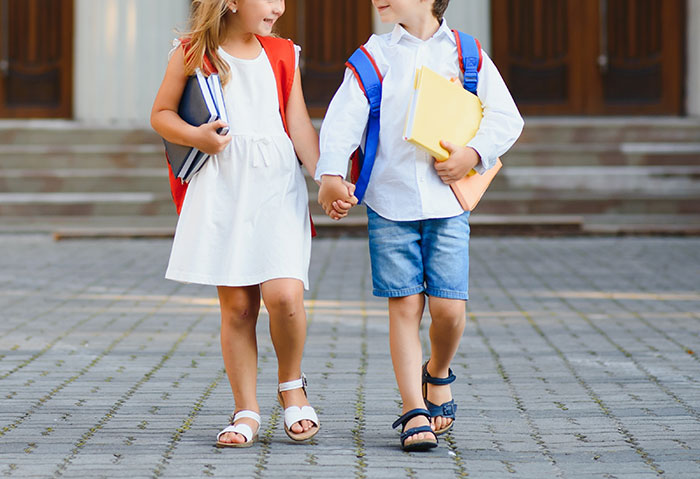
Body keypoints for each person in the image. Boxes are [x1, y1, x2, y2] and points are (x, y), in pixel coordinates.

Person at [316, 0, 524, 451]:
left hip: (448, 203)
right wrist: (332, 176)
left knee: (449, 309)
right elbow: (341, 121)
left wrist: (473, 154)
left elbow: (506, 117)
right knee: (404, 306)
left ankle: (437, 372)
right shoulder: (372, 57)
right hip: (389, 202)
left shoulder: (466, 53)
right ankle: (414, 410)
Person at [151, 0, 349, 447]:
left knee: (285, 296)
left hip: (276, 184)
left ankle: (291, 386)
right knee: (238, 307)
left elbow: (297, 124)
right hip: (223, 188)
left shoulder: (282, 53)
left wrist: (327, 180)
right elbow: (161, 114)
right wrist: (196, 136)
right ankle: (245, 410)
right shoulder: (192, 52)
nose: (279, 8)